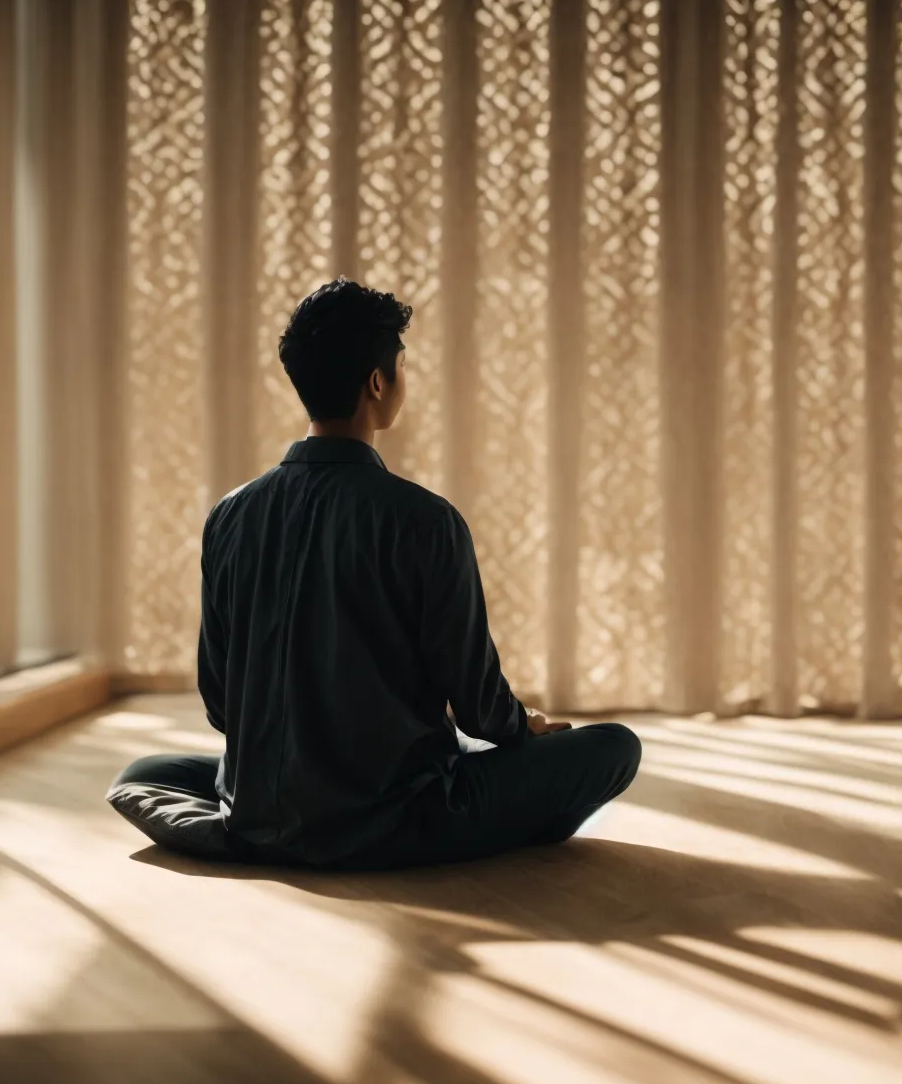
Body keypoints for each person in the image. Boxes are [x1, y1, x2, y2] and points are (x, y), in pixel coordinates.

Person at [111, 278, 640, 868]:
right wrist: (524, 728)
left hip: (267, 803)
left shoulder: (229, 514)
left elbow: (220, 702)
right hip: (395, 811)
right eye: (402, 368)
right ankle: (408, 836)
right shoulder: (426, 520)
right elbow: (477, 704)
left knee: (146, 773)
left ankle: (273, 825)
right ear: (378, 381)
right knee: (614, 747)